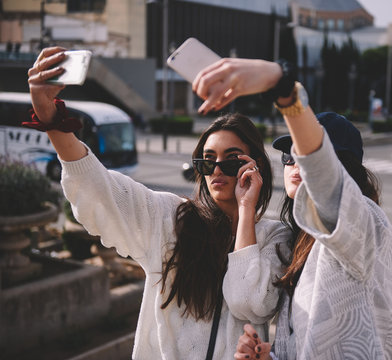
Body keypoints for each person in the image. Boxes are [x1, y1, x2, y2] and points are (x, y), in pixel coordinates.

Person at [26, 47, 290, 359]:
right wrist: (51, 118)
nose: (217, 170)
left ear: (255, 165)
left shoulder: (276, 238)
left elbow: (250, 301)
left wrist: (246, 210)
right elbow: (100, 188)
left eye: (231, 160)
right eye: (207, 162)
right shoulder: (171, 220)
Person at [193, 59, 392, 359]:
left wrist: (283, 88)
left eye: (301, 155)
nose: (293, 162)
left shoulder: (363, 223)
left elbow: (324, 175)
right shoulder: (303, 242)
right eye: (288, 156)